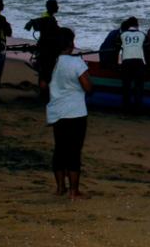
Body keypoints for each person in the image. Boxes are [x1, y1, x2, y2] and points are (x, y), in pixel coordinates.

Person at [47, 27, 92, 199]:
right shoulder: (76, 63)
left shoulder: (52, 62)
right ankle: (74, 191)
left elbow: (44, 85)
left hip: (56, 111)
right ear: (70, 44)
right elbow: (87, 87)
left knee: (59, 149)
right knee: (74, 151)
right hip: (75, 112)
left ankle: (60, 188)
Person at [25, 0, 61, 92]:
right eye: (56, 5)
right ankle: (44, 93)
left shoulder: (46, 17)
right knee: (46, 72)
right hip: (47, 49)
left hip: (43, 47)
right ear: (51, 7)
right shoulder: (48, 19)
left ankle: (43, 91)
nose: (58, 7)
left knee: (44, 72)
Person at [118, 17, 145, 112]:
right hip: (138, 61)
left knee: (126, 86)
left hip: (126, 61)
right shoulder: (142, 34)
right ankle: (138, 108)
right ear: (137, 25)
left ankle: (126, 108)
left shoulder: (122, 34)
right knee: (138, 86)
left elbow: (119, 46)